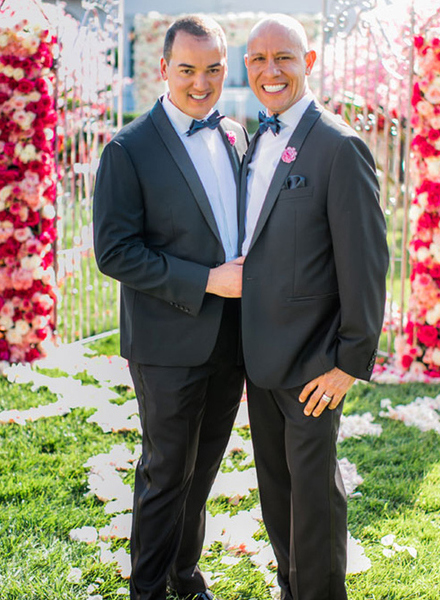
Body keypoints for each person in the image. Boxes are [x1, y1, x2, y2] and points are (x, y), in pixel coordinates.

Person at [93, 15, 248, 600]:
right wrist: (207, 280)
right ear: (163, 69)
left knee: (203, 471)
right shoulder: (127, 149)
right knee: (165, 474)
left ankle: (186, 578)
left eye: (212, 69)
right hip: (166, 342)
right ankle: (149, 590)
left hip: (230, 341)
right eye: (187, 70)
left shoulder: (236, 134)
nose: (201, 83)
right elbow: (115, 252)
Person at [239, 14, 389, 600]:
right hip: (260, 357)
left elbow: (367, 262)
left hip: (314, 364)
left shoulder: (339, 146)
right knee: (276, 493)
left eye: (284, 57)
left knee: (314, 501)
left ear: (310, 62)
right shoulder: (259, 140)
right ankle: (289, 587)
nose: (270, 70)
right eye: (257, 59)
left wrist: (350, 362)